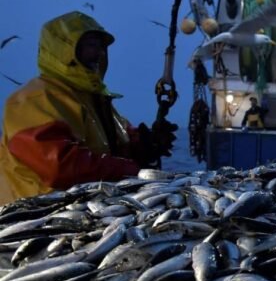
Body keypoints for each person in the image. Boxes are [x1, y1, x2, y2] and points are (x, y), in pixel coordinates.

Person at [0, 11, 176, 205]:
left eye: (102, 46)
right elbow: (59, 167)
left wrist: (145, 144)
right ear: (63, 49)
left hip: (84, 208)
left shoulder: (94, 98)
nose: (100, 52)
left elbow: (113, 148)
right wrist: (134, 171)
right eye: (91, 44)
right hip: (32, 215)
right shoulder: (34, 99)